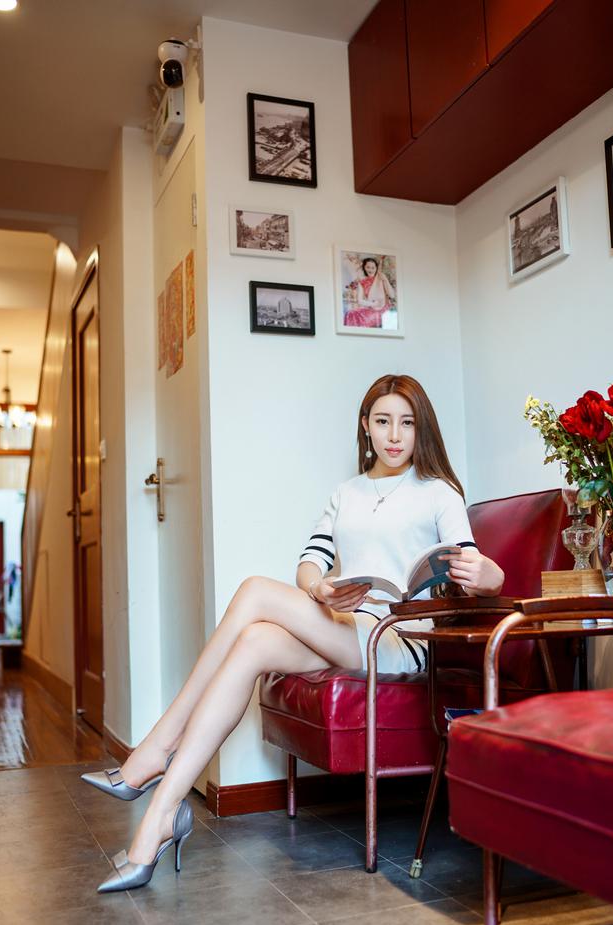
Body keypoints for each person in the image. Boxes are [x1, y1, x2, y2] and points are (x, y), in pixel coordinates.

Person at [82, 373, 504, 892]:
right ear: (365, 426)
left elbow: (473, 568)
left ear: (422, 429)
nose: (395, 435)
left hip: (402, 639)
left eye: (407, 423)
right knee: (254, 642)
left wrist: (490, 576)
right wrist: (321, 589)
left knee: (254, 592)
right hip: (351, 626)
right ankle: (161, 817)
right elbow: (311, 561)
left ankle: (155, 748)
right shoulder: (346, 493)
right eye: (383, 421)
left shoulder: (438, 493)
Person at [343, 257, 395, 328]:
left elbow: (392, 295)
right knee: (350, 314)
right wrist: (373, 304)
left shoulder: (381, 278)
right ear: (364, 268)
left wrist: (385, 280)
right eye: (368, 267)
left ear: (376, 268)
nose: (371, 270)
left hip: (382, 308)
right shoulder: (362, 282)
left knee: (362, 319)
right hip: (370, 308)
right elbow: (360, 301)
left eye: (373, 268)